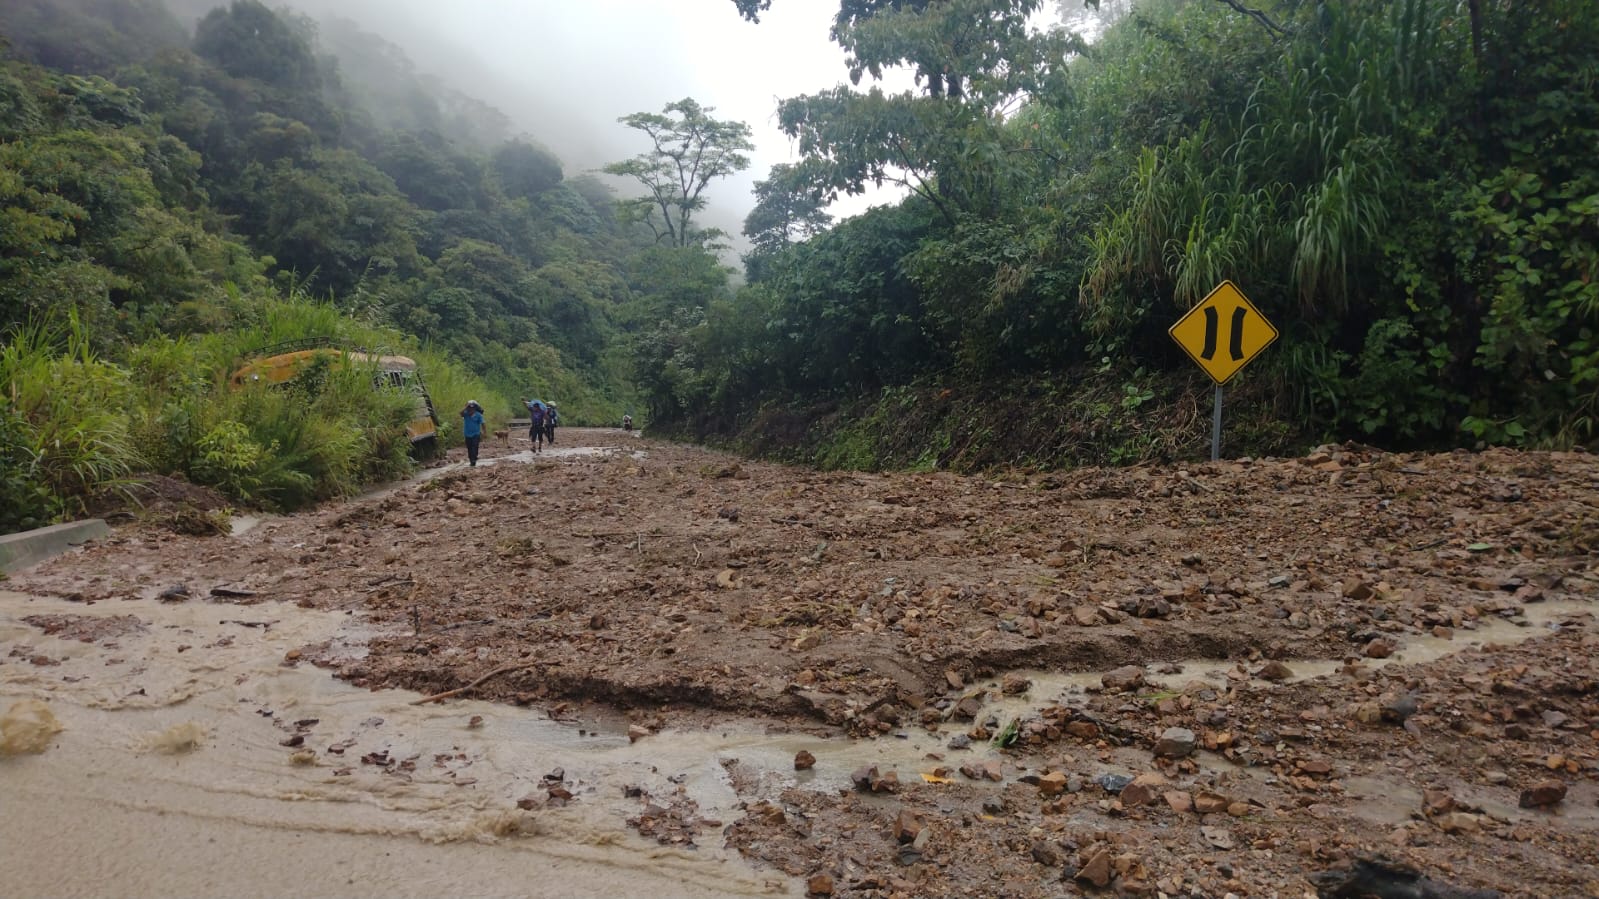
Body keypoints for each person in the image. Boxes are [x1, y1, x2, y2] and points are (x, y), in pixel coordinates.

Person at [460, 400, 485, 466]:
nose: (471, 409)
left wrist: (484, 431)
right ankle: (471, 460)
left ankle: (474, 459)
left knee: (475, 446)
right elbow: (460, 413)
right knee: (469, 447)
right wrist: (466, 407)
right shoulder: (465, 414)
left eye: (472, 408)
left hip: (476, 434)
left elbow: (483, 423)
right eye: (469, 408)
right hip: (467, 434)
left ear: (475, 408)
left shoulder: (478, 415)